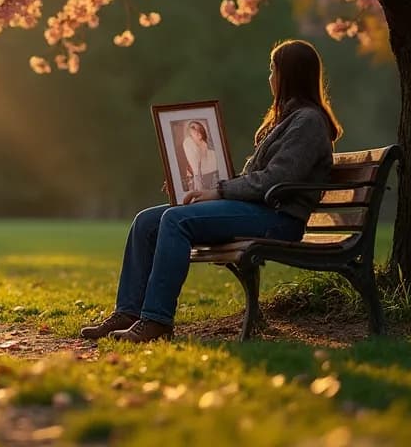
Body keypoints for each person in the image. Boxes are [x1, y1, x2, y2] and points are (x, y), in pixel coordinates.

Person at [82, 39, 344, 343]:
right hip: (260, 210)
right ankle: (129, 312)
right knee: (146, 222)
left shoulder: (308, 122)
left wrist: (219, 190)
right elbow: (257, 179)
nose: (270, 77)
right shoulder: (287, 119)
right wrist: (190, 184)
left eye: (274, 70)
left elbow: (275, 180)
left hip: (278, 217)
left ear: (289, 75)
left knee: (176, 220)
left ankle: (156, 321)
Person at [181, 120, 220, 194]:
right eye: (193, 129)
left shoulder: (213, 154)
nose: (196, 131)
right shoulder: (188, 145)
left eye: (198, 129)